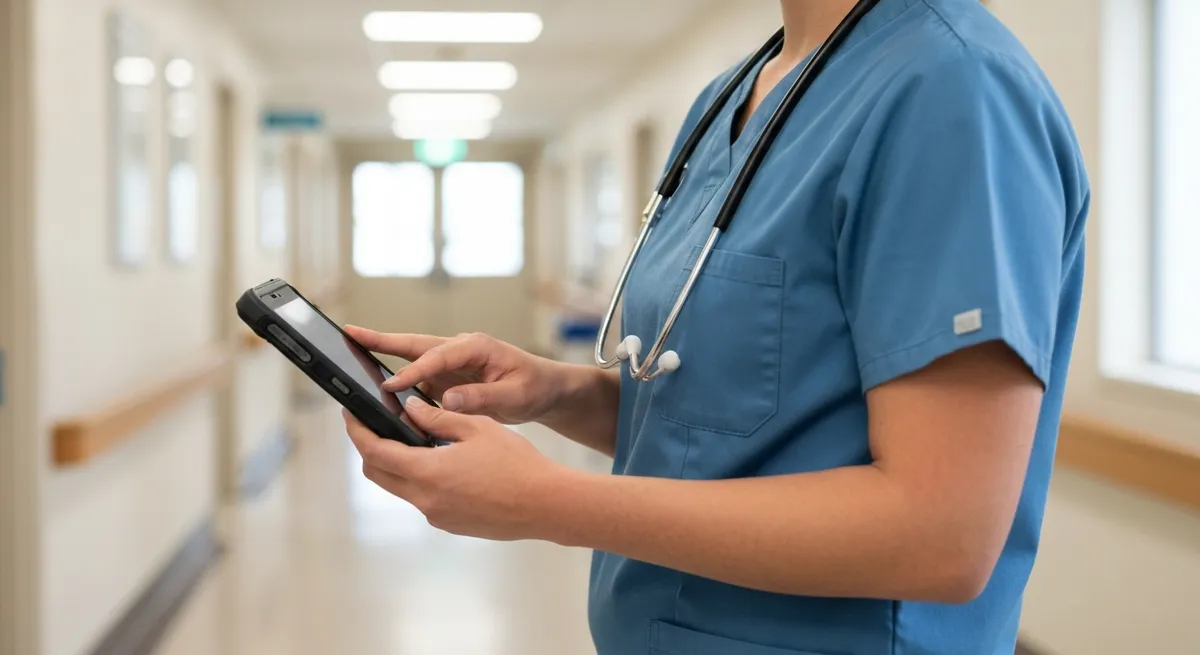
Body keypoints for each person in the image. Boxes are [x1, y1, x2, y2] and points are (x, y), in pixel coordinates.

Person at [340, 0, 1089, 652]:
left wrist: (549, 500)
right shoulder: (732, 99)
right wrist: (556, 391)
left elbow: (941, 534)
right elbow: (734, 417)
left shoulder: (951, 90)